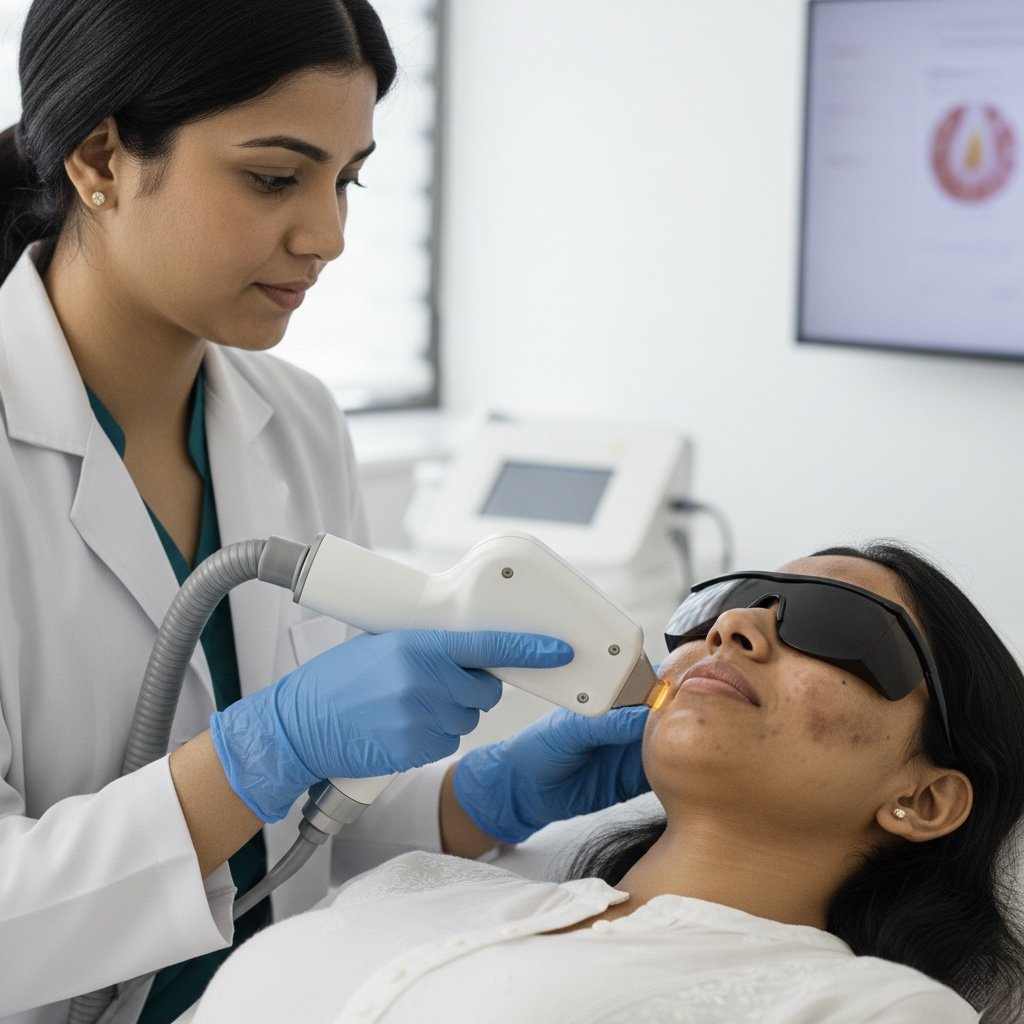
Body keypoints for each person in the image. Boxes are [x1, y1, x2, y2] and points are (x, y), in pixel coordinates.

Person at [0, 2, 649, 1022]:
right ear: (100, 159)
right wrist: (260, 749)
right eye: (273, 177)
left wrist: (475, 798)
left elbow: (295, 837)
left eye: (347, 179)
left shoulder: (295, 422)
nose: (330, 236)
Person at [189, 542, 1024, 1023]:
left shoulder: (868, 1013)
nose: (735, 627)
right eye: (727, 602)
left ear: (925, 798)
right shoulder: (419, 882)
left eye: (837, 625)